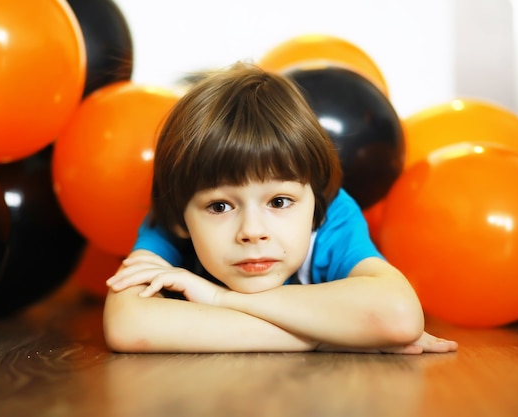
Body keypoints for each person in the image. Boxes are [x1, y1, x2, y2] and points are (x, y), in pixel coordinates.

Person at [103, 63, 458, 354]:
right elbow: (129, 326)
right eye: (220, 205)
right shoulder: (169, 220)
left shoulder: (331, 214)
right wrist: (328, 336)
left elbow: (398, 316)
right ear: (181, 217)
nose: (252, 231)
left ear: (315, 201)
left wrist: (219, 297)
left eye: (279, 202)